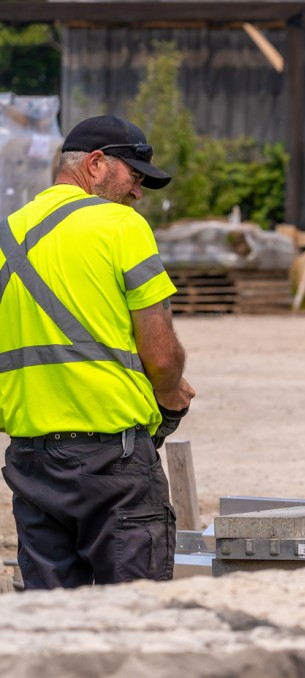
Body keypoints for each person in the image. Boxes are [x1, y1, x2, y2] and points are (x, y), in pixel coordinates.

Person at [0, 114, 195, 589]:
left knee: (54, 628)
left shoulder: (6, 236)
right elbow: (163, 357)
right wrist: (170, 396)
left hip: (32, 464)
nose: (138, 192)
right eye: (134, 175)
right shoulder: (119, 225)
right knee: (133, 623)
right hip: (114, 466)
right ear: (96, 164)